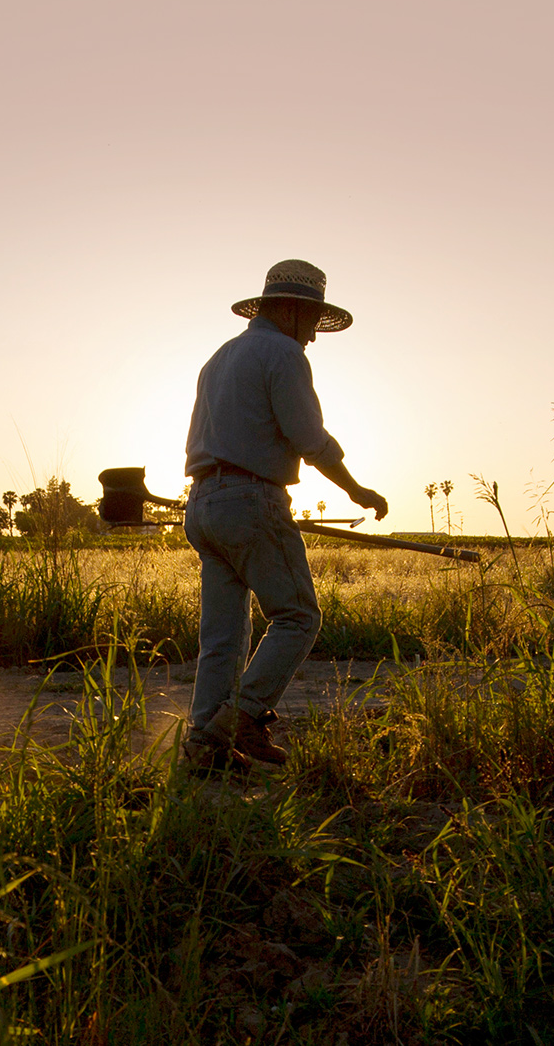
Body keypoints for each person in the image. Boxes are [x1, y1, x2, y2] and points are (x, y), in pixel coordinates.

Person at [180, 259, 388, 774]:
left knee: (223, 637)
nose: (314, 337)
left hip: (203, 502)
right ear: (293, 310)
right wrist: (356, 489)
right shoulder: (284, 353)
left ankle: (206, 746)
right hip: (251, 500)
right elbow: (306, 436)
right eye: (314, 321)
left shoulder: (221, 357)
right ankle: (244, 717)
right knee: (298, 617)